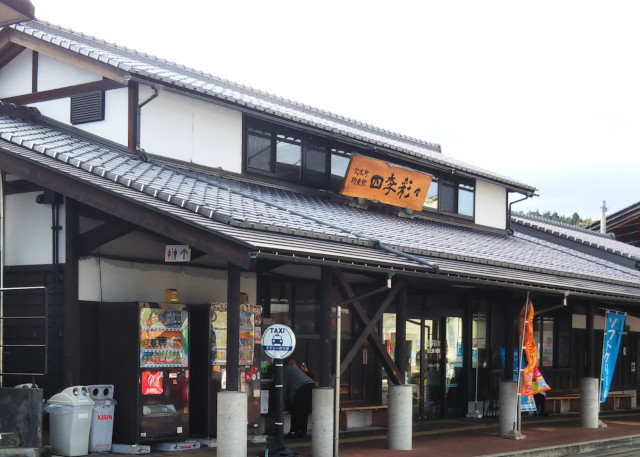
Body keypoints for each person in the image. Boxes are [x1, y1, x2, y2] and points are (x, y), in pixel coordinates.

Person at [282, 358, 315, 438]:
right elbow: (311, 378)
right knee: (304, 410)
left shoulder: (285, 369)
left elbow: (284, 386)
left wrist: (281, 401)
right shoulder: (298, 370)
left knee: (296, 410)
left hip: (302, 388)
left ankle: (294, 432)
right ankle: (302, 431)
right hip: (310, 385)